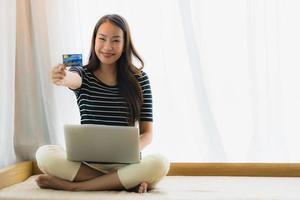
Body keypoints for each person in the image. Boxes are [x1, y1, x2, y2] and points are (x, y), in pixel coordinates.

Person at [35, 14, 170, 193]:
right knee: (45, 154)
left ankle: (75, 186)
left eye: (115, 40)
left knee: (160, 163)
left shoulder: (140, 79)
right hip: (87, 165)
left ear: (125, 45)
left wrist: (129, 149)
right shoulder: (83, 73)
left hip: (126, 165)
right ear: (94, 40)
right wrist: (63, 77)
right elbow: (72, 79)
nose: (107, 47)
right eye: (102, 39)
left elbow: (147, 133)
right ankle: (123, 182)